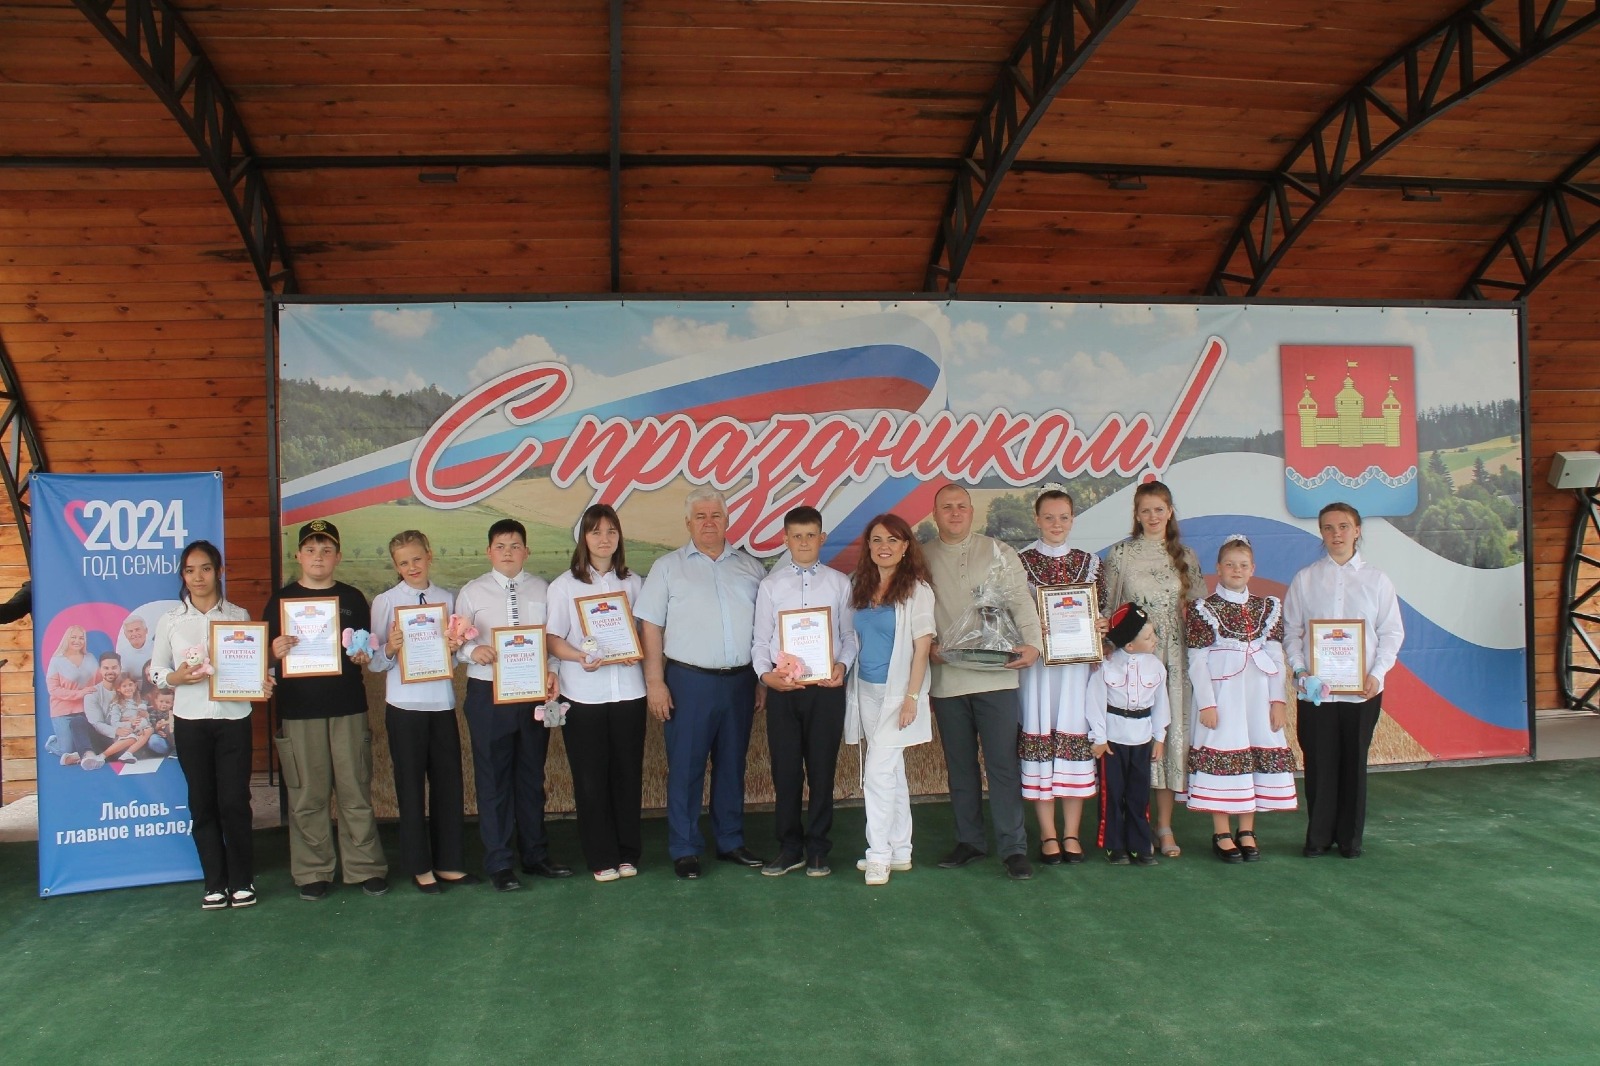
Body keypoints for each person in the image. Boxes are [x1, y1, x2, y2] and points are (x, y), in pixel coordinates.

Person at [635, 487, 768, 880]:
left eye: (716, 515)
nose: (709, 522)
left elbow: (765, 629)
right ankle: (685, 847)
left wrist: (761, 680)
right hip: (687, 682)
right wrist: (655, 682)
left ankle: (730, 841)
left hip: (740, 682)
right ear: (687, 523)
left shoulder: (750, 567)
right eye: (700, 516)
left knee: (732, 765)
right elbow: (651, 626)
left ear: (727, 520)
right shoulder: (667, 567)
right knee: (687, 766)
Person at [265, 519, 390, 901]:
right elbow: (262, 662)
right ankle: (313, 870)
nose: (318, 557)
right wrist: (274, 652)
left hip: (347, 708)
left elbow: (366, 652)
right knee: (308, 795)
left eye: (326, 550)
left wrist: (361, 656)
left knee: (355, 790)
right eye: (311, 550)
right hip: (298, 712)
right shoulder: (280, 601)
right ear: (299, 555)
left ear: (337, 556)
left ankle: (364, 867)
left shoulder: (352, 599)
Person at [922, 483, 1042, 881]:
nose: (954, 513)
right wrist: (927, 649)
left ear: (972, 512)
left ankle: (1014, 847)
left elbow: (1021, 601)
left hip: (997, 675)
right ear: (934, 514)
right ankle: (970, 841)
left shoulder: (998, 552)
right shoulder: (921, 557)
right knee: (960, 767)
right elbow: (910, 610)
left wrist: (1033, 643)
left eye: (961, 506)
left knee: (1003, 765)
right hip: (948, 677)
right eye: (946, 507)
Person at [151, 540, 273, 909]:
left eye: (205, 568)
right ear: (183, 576)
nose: (198, 577)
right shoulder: (170, 621)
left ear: (219, 572)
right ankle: (214, 883)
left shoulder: (238, 616)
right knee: (202, 803)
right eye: (190, 570)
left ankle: (242, 880)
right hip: (190, 722)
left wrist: (262, 682)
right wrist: (176, 679)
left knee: (235, 800)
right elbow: (156, 670)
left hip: (233, 719)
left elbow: (252, 667)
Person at [1283, 502, 1405, 859]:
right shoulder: (1305, 579)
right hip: (1316, 692)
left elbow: (1392, 633)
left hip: (1361, 691)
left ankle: (1351, 840)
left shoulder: (1377, 580)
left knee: (1354, 763)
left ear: (1357, 531)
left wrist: (1377, 674)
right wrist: (1300, 669)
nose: (1336, 534)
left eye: (1343, 526)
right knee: (1319, 763)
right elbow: (1291, 631)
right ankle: (1318, 837)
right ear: (1321, 533)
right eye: (1328, 528)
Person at [454, 518, 570, 891]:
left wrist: (552, 671)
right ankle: (500, 863)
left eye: (515, 545)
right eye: (501, 546)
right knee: (494, 779)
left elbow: (551, 640)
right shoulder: (472, 592)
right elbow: (456, 645)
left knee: (530, 778)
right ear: (489, 551)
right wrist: (475, 649)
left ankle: (535, 855)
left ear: (527, 551)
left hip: (533, 694)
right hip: (488, 696)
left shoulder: (543, 589)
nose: (508, 552)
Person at [752, 506, 858, 878]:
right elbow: (760, 642)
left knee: (822, 770)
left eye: (810, 535)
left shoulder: (839, 583)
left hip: (825, 690)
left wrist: (841, 666)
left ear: (822, 538)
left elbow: (848, 636)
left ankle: (818, 848)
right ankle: (789, 847)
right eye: (796, 536)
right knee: (785, 772)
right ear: (785, 539)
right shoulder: (771, 585)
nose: (803, 542)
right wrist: (767, 677)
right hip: (784, 691)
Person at [368, 530, 475, 894]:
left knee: (448, 785)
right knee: (410, 787)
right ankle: (419, 865)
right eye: (403, 563)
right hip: (404, 706)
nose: (411, 567)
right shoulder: (385, 601)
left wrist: (456, 645)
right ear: (395, 566)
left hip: (441, 703)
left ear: (429, 555)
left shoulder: (449, 599)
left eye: (416, 558)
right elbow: (375, 664)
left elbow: (459, 657)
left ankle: (449, 862)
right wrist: (391, 648)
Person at [1102, 480, 1204, 858]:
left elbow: (1199, 613)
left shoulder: (1186, 556)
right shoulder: (1121, 554)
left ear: (1170, 511)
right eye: (1145, 510)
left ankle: (1164, 826)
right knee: (1133, 739)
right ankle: (1132, 826)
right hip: (1133, 660)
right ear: (1136, 514)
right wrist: (1108, 648)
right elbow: (1109, 609)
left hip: (1175, 660)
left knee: (1170, 736)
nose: (1153, 516)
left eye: (1159, 509)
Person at [545, 504, 647, 883]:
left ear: (619, 537)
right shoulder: (564, 586)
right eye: (595, 532)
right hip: (583, 694)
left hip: (629, 693)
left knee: (626, 775)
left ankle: (626, 854)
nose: (604, 539)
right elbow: (553, 639)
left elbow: (646, 632)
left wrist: (633, 649)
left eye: (611, 531)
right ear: (582, 538)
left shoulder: (635, 582)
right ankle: (601, 857)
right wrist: (580, 656)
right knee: (590, 779)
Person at [1183, 536, 1297, 862]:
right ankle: (1221, 830)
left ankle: (1246, 829)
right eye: (1230, 564)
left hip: (1257, 694)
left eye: (1243, 565)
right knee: (1224, 752)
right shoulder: (1203, 609)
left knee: (1253, 755)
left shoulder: (1268, 607)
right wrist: (1206, 703)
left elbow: (1276, 656)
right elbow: (1197, 661)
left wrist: (1278, 701)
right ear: (1218, 568)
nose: (1236, 570)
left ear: (1253, 569)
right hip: (1223, 695)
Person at [1016, 489, 1107, 866]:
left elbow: (1099, 611)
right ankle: (1048, 835)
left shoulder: (1091, 563)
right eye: (1049, 517)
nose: (1057, 524)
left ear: (1073, 520)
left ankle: (1071, 833)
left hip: (1075, 669)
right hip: (1038, 670)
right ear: (1037, 519)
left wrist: (1101, 625)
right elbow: (1012, 615)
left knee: (1073, 739)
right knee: (1041, 740)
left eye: (1064, 517)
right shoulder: (1018, 562)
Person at [844, 513, 934, 886]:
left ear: (905, 547)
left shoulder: (917, 590)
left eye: (893, 540)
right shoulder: (859, 586)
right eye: (878, 539)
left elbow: (923, 645)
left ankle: (877, 854)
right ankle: (900, 850)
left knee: (877, 775)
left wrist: (912, 696)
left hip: (900, 694)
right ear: (868, 546)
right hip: (865, 691)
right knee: (892, 773)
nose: (885, 546)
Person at [1087, 603, 1170, 867]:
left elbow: (1161, 704)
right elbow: (1095, 702)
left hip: (1142, 738)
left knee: (1138, 794)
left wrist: (1160, 737)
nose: (1155, 639)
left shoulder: (1156, 667)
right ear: (1130, 646)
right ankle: (1114, 845)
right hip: (1113, 740)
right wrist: (1099, 738)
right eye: (1149, 637)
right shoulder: (1107, 666)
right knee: (1112, 794)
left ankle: (1139, 844)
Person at [45, 623, 100, 767]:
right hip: (63, 711)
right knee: (68, 750)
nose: (77, 641)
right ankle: (53, 743)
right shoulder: (57, 660)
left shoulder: (90, 658)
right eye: (73, 637)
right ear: (66, 639)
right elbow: (53, 689)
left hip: (86, 710)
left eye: (81, 638)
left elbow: (99, 683)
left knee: (86, 747)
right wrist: (80, 693)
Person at [81, 650, 125, 767]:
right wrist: (116, 731)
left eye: (114, 667)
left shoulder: (128, 689)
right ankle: (89, 754)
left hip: (125, 740)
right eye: (106, 668)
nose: (110, 671)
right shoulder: (92, 694)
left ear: (120, 668)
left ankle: (78, 755)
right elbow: (96, 724)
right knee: (78, 722)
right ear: (100, 670)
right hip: (103, 739)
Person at [119, 614, 153, 683]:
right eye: (130, 631)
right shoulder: (121, 655)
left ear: (146, 631)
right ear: (125, 635)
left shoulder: (157, 647)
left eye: (137, 630)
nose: (134, 634)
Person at [145, 685, 174, 757]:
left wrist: (166, 723)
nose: (164, 704)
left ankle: (175, 750)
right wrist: (157, 730)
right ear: (156, 701)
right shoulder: (153, 713)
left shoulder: (173, 713)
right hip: (161, 738)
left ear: (172, 703)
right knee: (153, 740)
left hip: (173, 738)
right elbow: (151, 726)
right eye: (161, 701)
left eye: (167, 702)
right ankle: (166, 752)